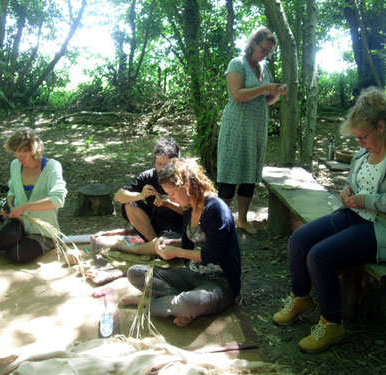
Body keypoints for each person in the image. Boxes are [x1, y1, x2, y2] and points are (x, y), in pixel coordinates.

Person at [272, 87, 386, 353]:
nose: (360, 144)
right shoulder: (362, 155)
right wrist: (348, 192)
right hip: (355, 216)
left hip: (384, 229)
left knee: (318, 256)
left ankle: (332, 324)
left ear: (381, 126)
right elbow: (355, 185)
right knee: (298, 240)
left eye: (363, 137)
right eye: (357, 139)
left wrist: (367, 200)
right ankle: (301, 298)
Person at [121, 158, 241, 327]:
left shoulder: (216, 209)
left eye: (172, 194)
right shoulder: (189, 208)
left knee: (187, 304)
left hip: (220, 284)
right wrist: (169, 243)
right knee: (135, 272)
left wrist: (177, 252)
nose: (171, 199)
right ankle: (174, 304)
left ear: (186, 186)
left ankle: (159, 304)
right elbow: (188, 244)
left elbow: (212, 254)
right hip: (192, 275)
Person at [217, 26, 287, 234]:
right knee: (230, 175)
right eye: (264, 49)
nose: (265, 54)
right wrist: (265, 88)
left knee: (249, 175)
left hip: (256, 129)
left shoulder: (263, 67)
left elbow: (267, 101)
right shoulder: (237, 64)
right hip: (236, 128)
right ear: (253, 44)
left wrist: (277, 92)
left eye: (269, 52)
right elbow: (237, 94)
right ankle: (220, 222)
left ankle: (243, 220)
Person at [0, 128, 67, 263]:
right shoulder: (15, 165)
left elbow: (58, 199)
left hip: (42, 232)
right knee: (5, 237)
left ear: (34, 150)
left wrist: (24, 207)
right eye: (16, 155)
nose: (19, 159)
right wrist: (10, 206)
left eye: (23, 155)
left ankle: (14, 244)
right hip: (20, 222)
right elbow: (12, 191)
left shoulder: (52, 166)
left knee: (17, 255)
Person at [97, 138, 184, 255]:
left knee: (172, 247)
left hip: (179, 226)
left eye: (167, 165)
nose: (163, 169)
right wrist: (140, 195)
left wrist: (168, 204)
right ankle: (152, 244)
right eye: (160, 164)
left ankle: (142, 248)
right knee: (129, 204)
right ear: (154, 163)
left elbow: (194, 213)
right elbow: (118, 196)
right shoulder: (149, 176)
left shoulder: (185, 178)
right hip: (154, 224)